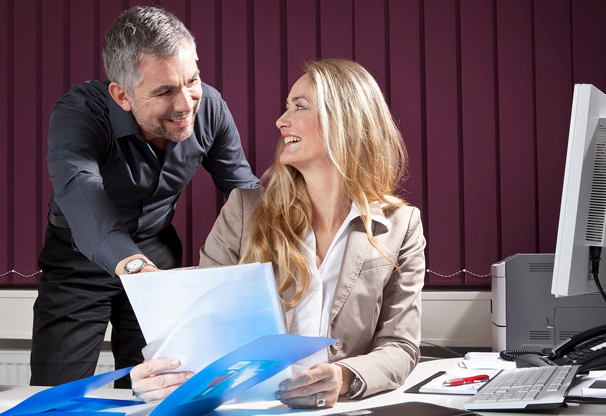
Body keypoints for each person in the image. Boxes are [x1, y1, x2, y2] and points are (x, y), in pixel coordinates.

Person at [129, 59, 426, 409]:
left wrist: (343, 376)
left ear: (344, 120)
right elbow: (199, 332)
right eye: (286, 107)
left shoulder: (402, 225)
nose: (280, 121)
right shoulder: (244, 211)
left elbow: (400, 346)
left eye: (299, 107)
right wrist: (157, 378)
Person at [30, 6, 260, 388]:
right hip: (78, 260)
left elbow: (244, 193)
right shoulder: (79, 113)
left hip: (157, 254)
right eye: (165, 91)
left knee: (155, 392)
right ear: (122, 95)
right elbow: (81, 191)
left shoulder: (211, 109)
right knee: (59, 395)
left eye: (192, 80)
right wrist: (135, 269)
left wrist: (299, 234)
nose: (186, 104)